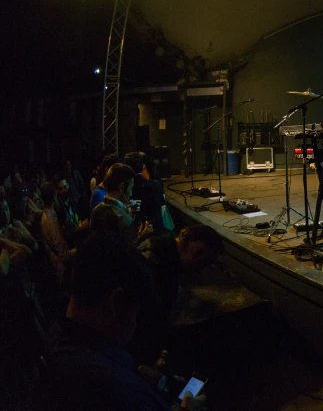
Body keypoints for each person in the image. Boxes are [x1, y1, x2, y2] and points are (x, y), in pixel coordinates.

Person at [42, 232, 172, 410]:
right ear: (116, 303)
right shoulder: (124, 393)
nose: (135, 323)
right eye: (136, 311)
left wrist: (134, 370)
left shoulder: (56, 334)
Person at [131, 225, 224, 363]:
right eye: (202, 264)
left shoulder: (159, 246)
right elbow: (147, 320)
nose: (200, 271)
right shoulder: (158, 267)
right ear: (196, 252)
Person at [90, 163, 153, 245]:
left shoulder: (95, 210)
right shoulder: (125, 220)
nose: (131, 193)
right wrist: (142, 237)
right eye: (130, 188)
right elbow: (131, 253)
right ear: (121, 187)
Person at [124, 152, 165, 233]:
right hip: (156, 229)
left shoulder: (125, 189)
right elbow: (162, 205)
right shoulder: (156, 185)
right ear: (143, 167)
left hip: (138, 230)